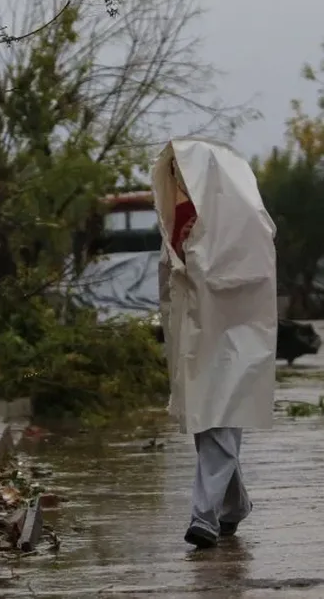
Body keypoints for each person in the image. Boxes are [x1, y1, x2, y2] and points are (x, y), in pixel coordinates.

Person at [152, 138, 277, 550]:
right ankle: (234, 505)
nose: (178, 179)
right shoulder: (176, 215)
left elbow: (251, 270)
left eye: (183, 171)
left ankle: (203, 517)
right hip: (193, 331)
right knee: (206, 422)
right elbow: (170, 273)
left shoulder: (241, 217)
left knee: (220, 418)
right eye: (173, 172)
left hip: (233, 328)